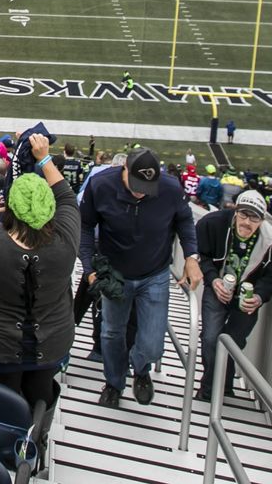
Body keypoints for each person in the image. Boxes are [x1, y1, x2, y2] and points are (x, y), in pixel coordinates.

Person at [0, 131, 80, 408]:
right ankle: (37, 436)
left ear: (9, 208)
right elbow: (67, 198)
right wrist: (45, 158)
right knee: (40, 394)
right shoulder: (65, 242)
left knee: (2, 401)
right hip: (51, 341)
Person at [77, 147, 200, 409]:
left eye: (146, 186)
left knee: (154, 343)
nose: (140, 192)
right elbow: (85, 227)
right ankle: (114, 383)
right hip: (115, 272)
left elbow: (185, 222)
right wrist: (89, 268)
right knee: (111, 332)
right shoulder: (100, 185)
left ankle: (140, 369)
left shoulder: (170, 189)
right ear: (124, 170)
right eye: (136, 185)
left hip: (154, 272)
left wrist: (191, 256)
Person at [193, 191, 272, 402]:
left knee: (234, 341)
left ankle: (221, 386)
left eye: (254, 218)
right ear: (235, 212)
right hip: (217, 287)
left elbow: (270, 279)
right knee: (211, 338)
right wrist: (213, 279)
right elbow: (200, 255)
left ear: (262, 220)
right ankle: (210, 391)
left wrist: (258, 298)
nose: (247, 222)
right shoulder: (213, 224)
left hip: (245, 297)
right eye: (243, 215)